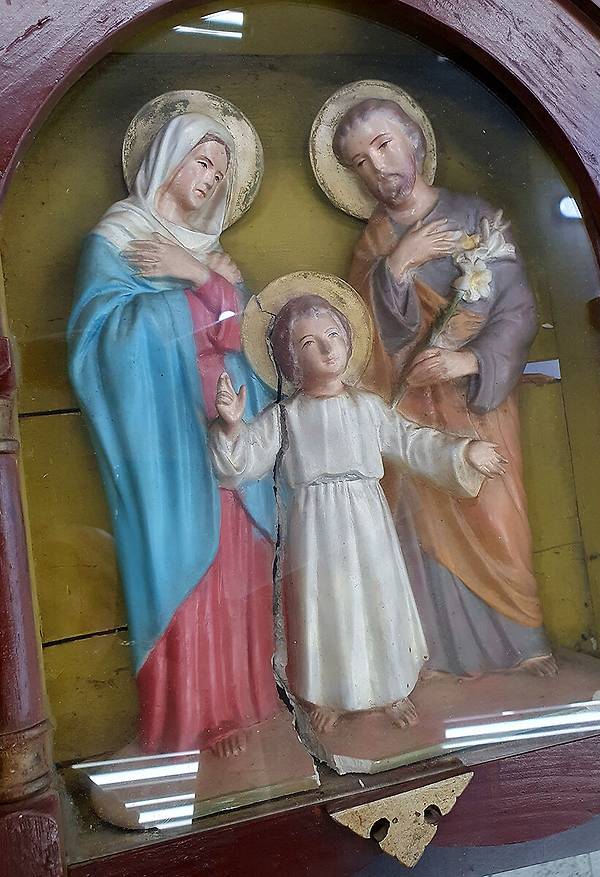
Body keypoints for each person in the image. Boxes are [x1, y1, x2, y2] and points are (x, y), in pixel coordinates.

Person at [68, 111, 279, 758]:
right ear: (168, 157)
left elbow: (246, 337)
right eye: (203, 162)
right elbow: (103, 344)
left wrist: (200, 275)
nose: (211, 179)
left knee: (239, 567)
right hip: (166, 442)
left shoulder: (207, 250)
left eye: (221, 172)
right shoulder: (117, 237)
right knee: (187, 567)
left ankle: (247, 702)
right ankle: (193, 719)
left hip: (227, 431)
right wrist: (203, 289)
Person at [331, 96, 558, 678]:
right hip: (411, 408)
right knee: (420, 524)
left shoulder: (475, 216)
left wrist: (468, 361)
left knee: (495, 512)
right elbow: (360, 334)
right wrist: (397, 265)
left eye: (383, 145)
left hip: (475, 401)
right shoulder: (374, 243)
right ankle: (432, 651)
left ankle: (522, 638)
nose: (377, 168)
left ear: (414, 138)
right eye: (359, 162)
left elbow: (518, 309)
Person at [208, 291, 505, 734]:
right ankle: (330, 694)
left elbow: (412, 442)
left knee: (378, 597)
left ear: (348, 340)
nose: (327, 349)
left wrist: (465, 452)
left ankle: (390, 689)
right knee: (325, 605)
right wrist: (232, 426)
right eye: (309, 343)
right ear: (290, 359)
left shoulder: (367, 407)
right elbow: (241, 463)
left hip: (368, 520)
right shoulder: (285, 417)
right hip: (313, 526)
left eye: (333, 335)